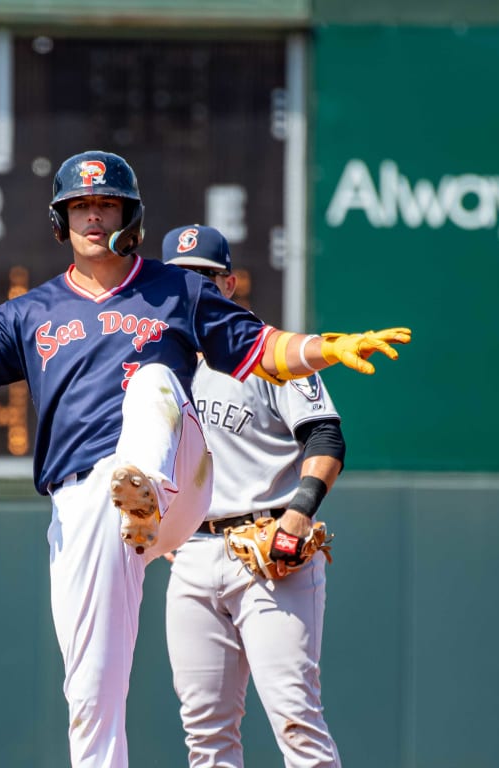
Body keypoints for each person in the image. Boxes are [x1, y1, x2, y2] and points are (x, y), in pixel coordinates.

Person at [0, 149, 410, 768]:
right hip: (86, 504)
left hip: (176, 486)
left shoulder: (177, 288)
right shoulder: (30, 311)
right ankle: (132, 500)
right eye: (78, 206)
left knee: (153, 382)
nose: (90, 217)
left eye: (103, 203)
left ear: (128, 214)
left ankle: (144, 488)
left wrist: (327, 346)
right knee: (90, 691)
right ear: (60, 220)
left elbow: (263, 347)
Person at [160, 224, 345, 767]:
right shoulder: (157, 364)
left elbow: (325, 435)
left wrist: (298, 512)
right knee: (206, 735)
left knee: (296, 721)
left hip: (268, 549)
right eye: (179, 279)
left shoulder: (270, 352)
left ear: (230, 283)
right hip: (192, 556)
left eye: (205, 279)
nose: (192, 289)